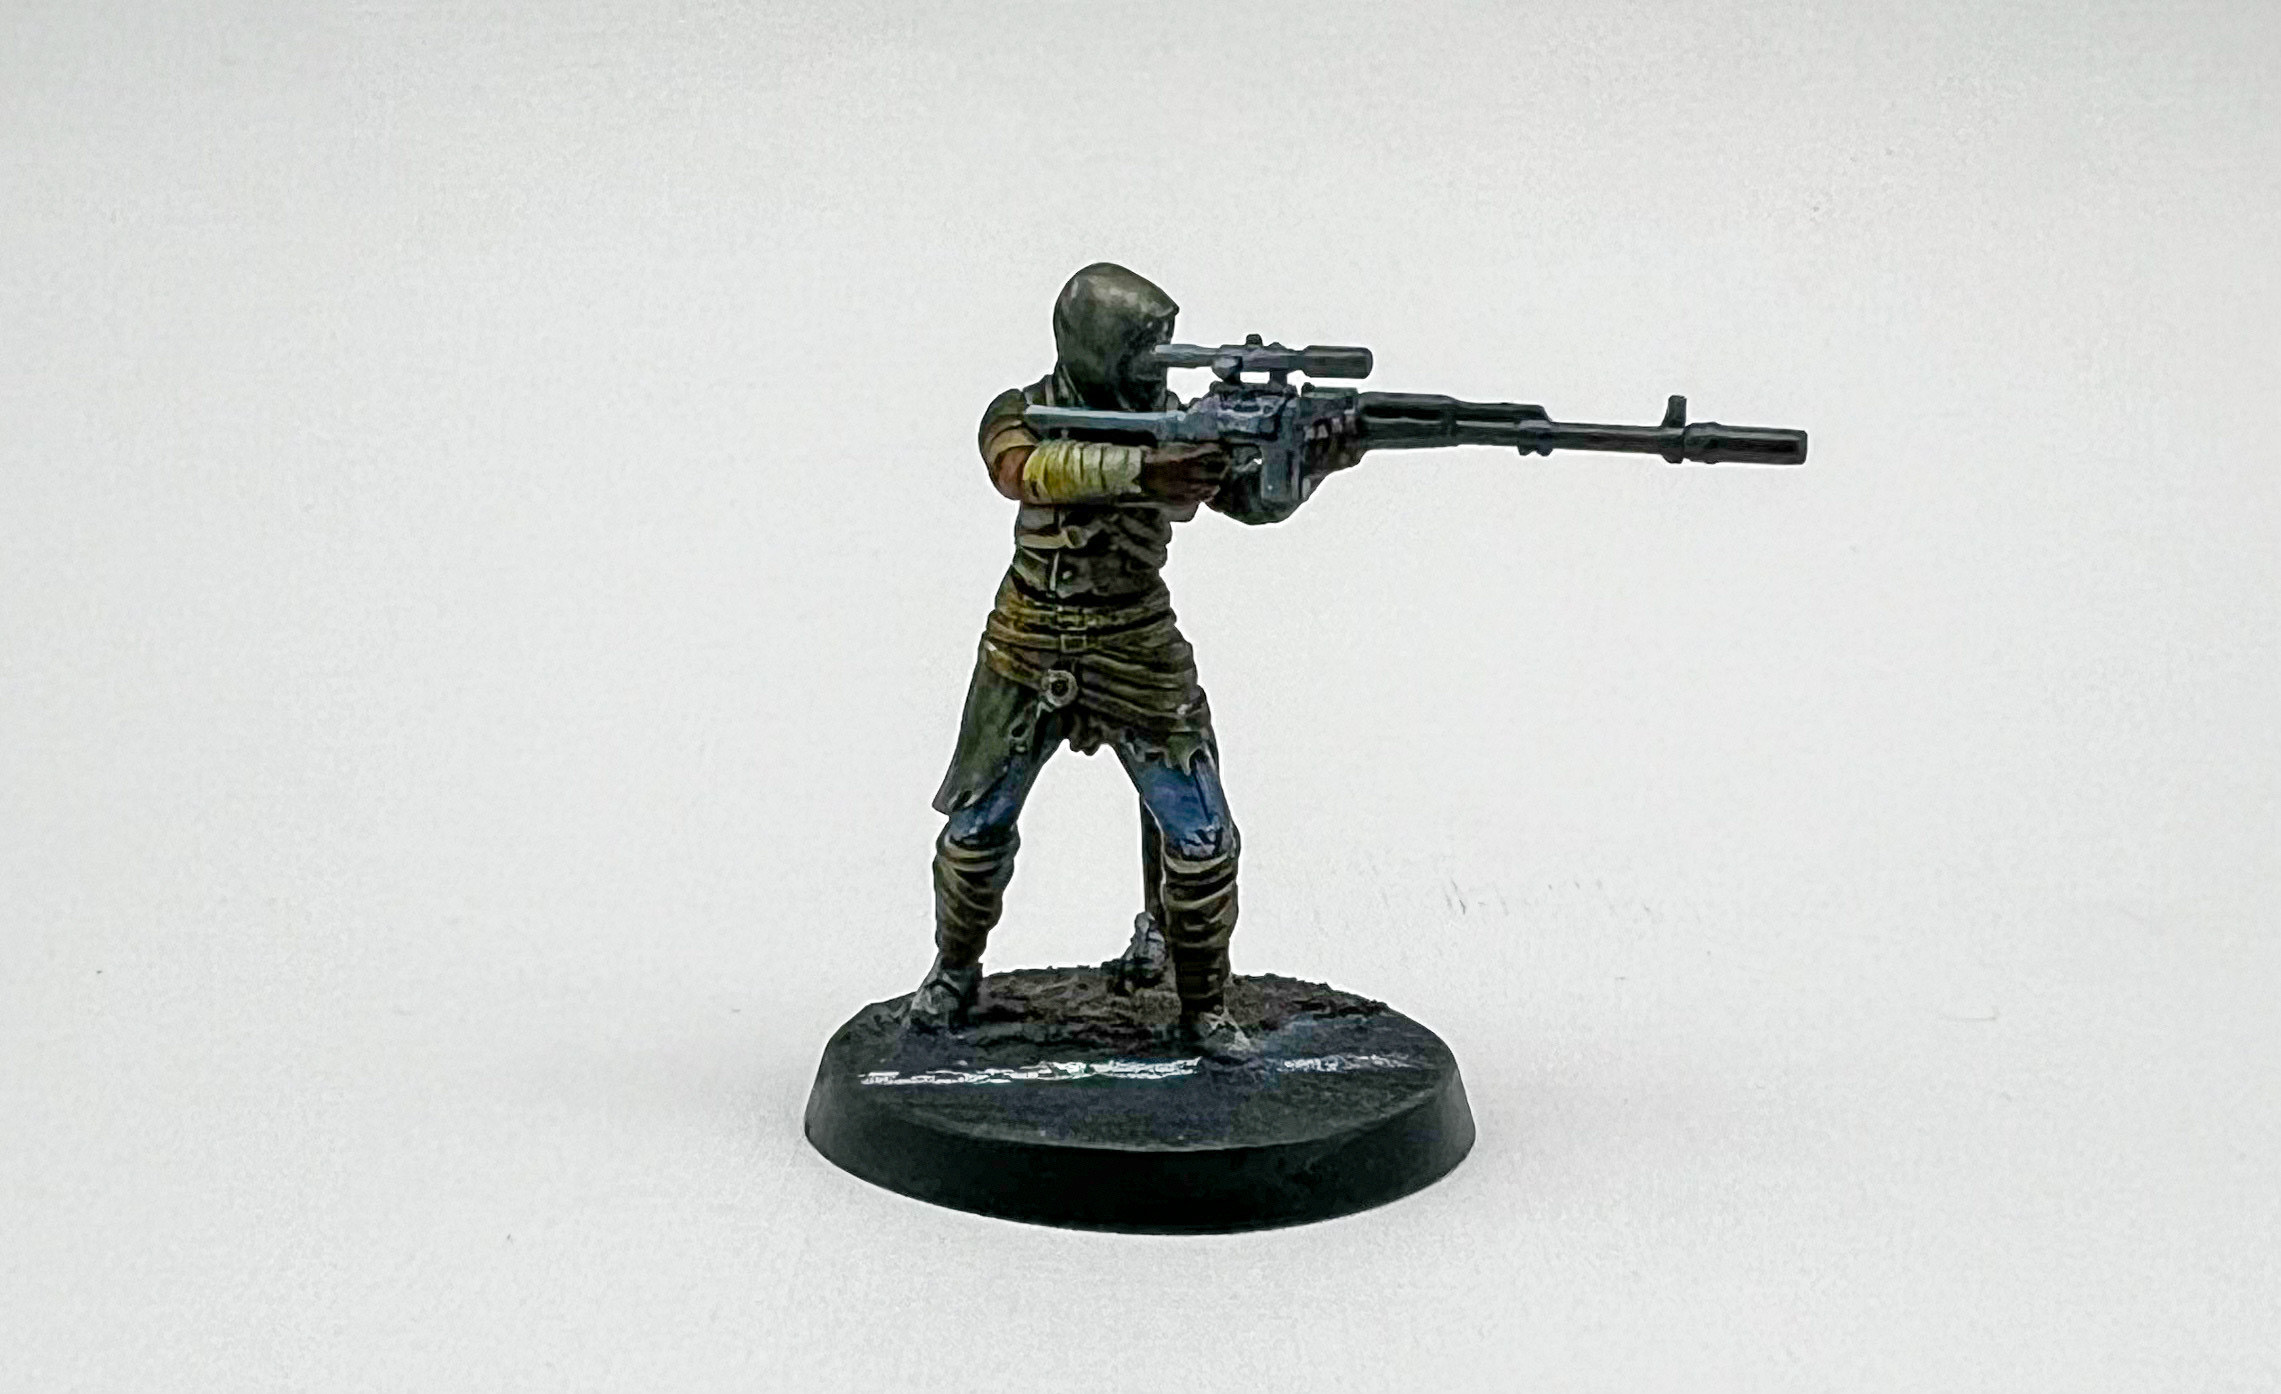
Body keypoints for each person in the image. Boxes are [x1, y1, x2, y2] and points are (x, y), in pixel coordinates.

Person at [905, 263, 1352, 1062]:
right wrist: (1144, 471)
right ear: (1097, 343)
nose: (1156, 360)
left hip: (1135, 645)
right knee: (974, 830)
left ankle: (1203, 1008)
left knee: (1203, 841)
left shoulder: (1173, 421)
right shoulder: (1019, 411)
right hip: (1026, 641)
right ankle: (953, 973)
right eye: (1143, 344)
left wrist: (1308, 462)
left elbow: (1248, 502)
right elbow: (1022, 470)